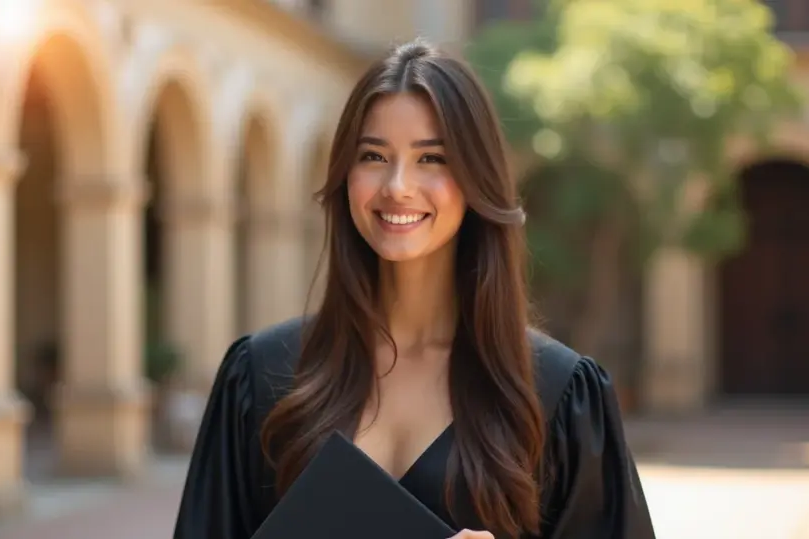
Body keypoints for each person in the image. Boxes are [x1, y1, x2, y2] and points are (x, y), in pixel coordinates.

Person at [172, 39, 655, 539]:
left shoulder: (558, 394)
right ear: (346, 175)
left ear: (476, 180)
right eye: (373, 155)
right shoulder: (262, 375)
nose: (397, 186)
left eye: (432, 159)